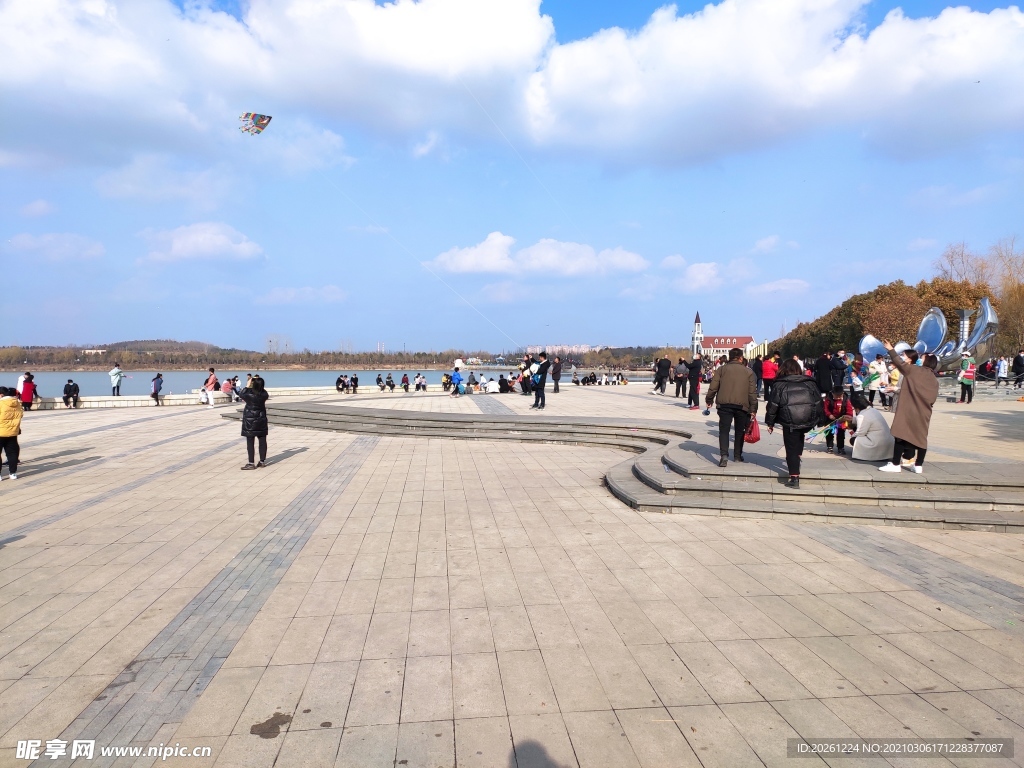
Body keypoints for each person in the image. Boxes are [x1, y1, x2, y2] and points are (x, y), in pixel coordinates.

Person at [878, 343, 939, 474]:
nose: (919, 360)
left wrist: (891, 350)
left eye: (921, 358)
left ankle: (895, 464)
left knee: (900, 435)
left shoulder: (914, 370)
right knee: (921, 437)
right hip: (924, 412)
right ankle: (918, 465)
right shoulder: (934, 379)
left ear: (926, 361)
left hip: (908, 410)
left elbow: (899, 363)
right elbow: (933, 398)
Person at [765, 358, 824, 488]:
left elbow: (773, 405)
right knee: (799, 438)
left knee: (790, 447)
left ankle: (794, 476)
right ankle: (797, 458)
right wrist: (821, 419)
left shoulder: (779, 385)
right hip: (806, 418)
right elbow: (819, 401)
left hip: (789, 419)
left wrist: (770, 422)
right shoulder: (809, 383)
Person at [705, 348, 758, 467]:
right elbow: (752, 393)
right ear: (741, 358)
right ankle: (738, 456)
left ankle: (724, 455)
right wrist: (753, 408)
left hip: (724, 405)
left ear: (729, 357)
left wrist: (709, 400)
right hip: (742, 406)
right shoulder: (748, 372)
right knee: (740, 431)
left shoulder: (721, 369)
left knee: (724, 430)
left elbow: (713, 387)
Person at [847, 393, 894, 462]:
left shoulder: (862, 415)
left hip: (877, 443)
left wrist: (850, 431)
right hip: (888, 442)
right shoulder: (873, 410)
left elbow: (860, 433)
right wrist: (852, 419)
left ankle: (867, 454)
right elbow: (866, 420)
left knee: (853, 440)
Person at [237, 376, 269, 470]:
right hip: (261, 420)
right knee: (262, 441)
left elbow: (241, 394)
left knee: (250, 442)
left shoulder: (249, 394)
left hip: (250, 421)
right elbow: (261, 390)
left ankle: (251, 463)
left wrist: (247, 385)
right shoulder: (264, 394)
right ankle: (262, 461)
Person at [0, 387, 23, 480]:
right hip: (13, 432)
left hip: (1, 432)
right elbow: (21, 414)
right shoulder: (17, 403)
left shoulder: (1, 403)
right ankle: (13, 473)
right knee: (12, 453)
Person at [822, 386, 853, 455]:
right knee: (829, 433)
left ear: (843, 393)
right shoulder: (828, 399)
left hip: (841, 419)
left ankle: (840, 448)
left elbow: (849, 411)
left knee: (841, 434)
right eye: (836, 396)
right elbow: (825, 408)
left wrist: (846, 417)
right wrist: (829, 415)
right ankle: (830, 447)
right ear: (832, 393)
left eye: (840, 396)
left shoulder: (846, 400)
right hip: (830, 418)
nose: (838, 398)